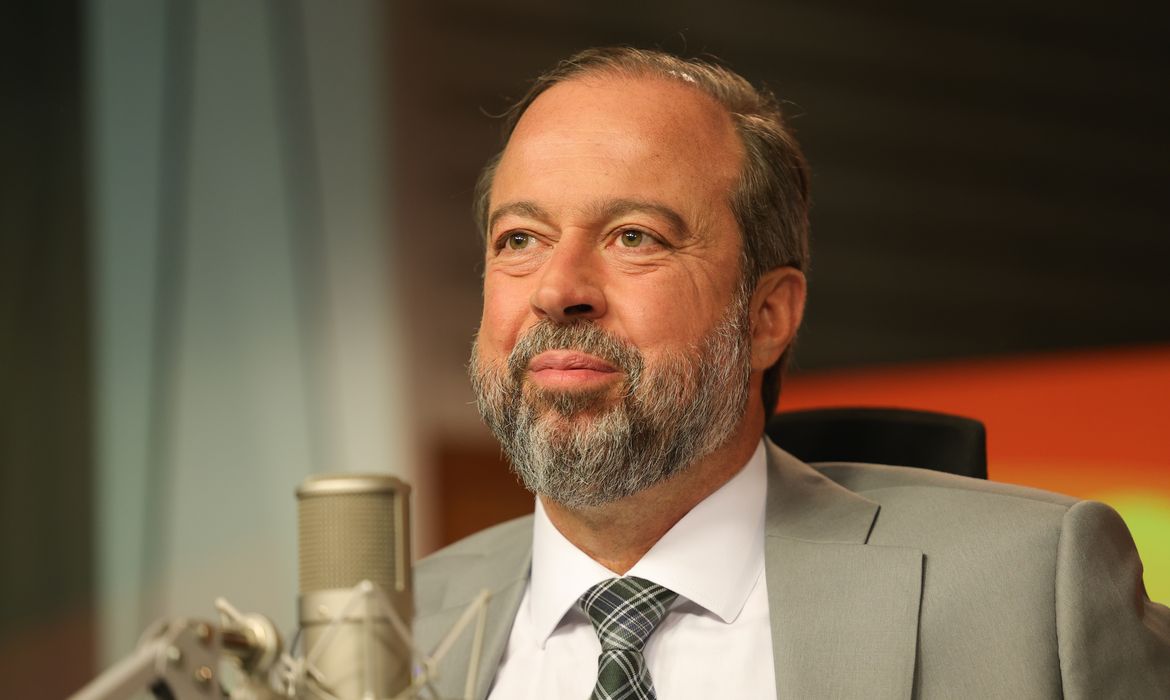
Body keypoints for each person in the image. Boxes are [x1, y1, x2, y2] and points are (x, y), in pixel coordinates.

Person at [413, 47, 1170, 699]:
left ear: (767, 316)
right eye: (519, 239)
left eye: (635, 236)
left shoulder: (1037, 590)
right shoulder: (397, 625)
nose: (557, 290)